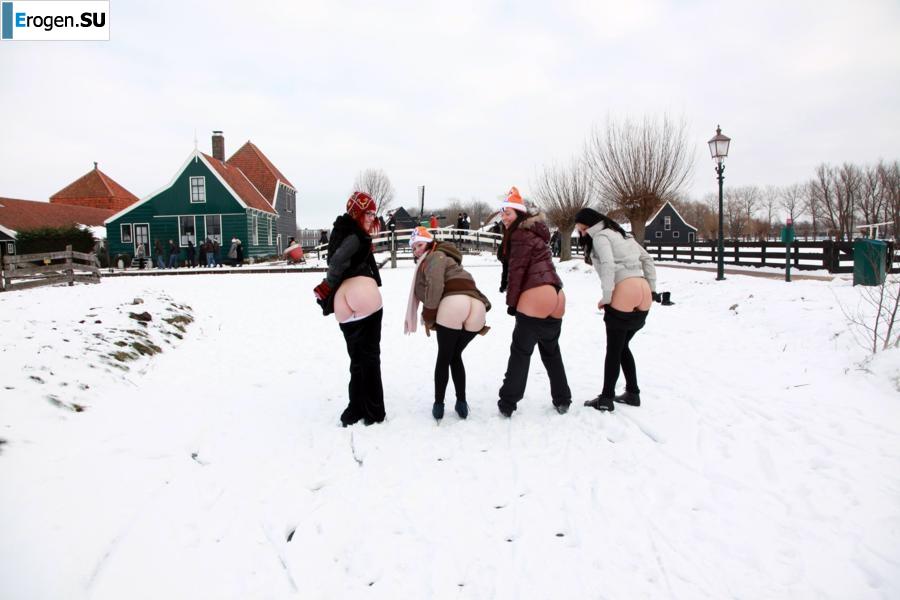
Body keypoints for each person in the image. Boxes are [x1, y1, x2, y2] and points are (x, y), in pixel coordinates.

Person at [496, 186, 571, 417]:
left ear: (519, 214)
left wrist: (511, 303)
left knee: (520, 351)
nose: (504, 217)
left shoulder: (520, 234)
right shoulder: (536, 233)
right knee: (551, 351)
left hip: (536, 293)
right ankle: (562, 398)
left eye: (508, 212)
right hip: (556, 295)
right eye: (502, 212)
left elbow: (517, 271)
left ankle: (508, 402)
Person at [313, 191, 385, 427]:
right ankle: (373, 410)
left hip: (347, 305)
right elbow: (337, 262)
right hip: (362, 300)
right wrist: (327, 286)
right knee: (370, 357)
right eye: (368, 213)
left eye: (373, 214)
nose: (371, 218)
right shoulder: (354, 236)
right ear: (357, 212)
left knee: (357, 359)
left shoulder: (344, 231)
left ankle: (355, 408)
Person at [404, 227, 491, 420]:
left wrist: (428, 315)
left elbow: (435, 285)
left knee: (444, 357)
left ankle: (439, 404)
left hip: (454, 305)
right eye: (412, 248)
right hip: (477, 308)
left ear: (429, 243)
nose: (416, 250)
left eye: (419, 245)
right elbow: (469, 283)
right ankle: (461, 402)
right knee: (454, 356)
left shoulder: (434, 257)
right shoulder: (453, 261)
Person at [574, 208, 657, 411]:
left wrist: (607, 296)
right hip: (643, 290)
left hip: (624, 291)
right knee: (622, 347)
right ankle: (633, 393)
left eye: (581, 230)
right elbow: (647, 259)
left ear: (588, 225)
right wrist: (652, 288)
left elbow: (609, 265)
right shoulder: (623, 234)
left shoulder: (601, 236)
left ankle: (606, 398)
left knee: (613, 349)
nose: (581, 234)